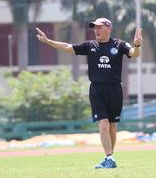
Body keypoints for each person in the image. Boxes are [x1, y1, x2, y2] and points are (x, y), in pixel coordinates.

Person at [35, 18, 142, 168]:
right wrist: (48, 41)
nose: (96, 30)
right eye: (95, 28)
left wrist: (137, 44)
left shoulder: (119, 44)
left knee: (112, 126)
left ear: (109, 28)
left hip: (115, 89)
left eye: (100, 27)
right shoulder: (90, 46)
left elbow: (134, 54)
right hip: (97, 90)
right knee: (103, 124)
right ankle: (109, 157)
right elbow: (67, 47)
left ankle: (109, 158)